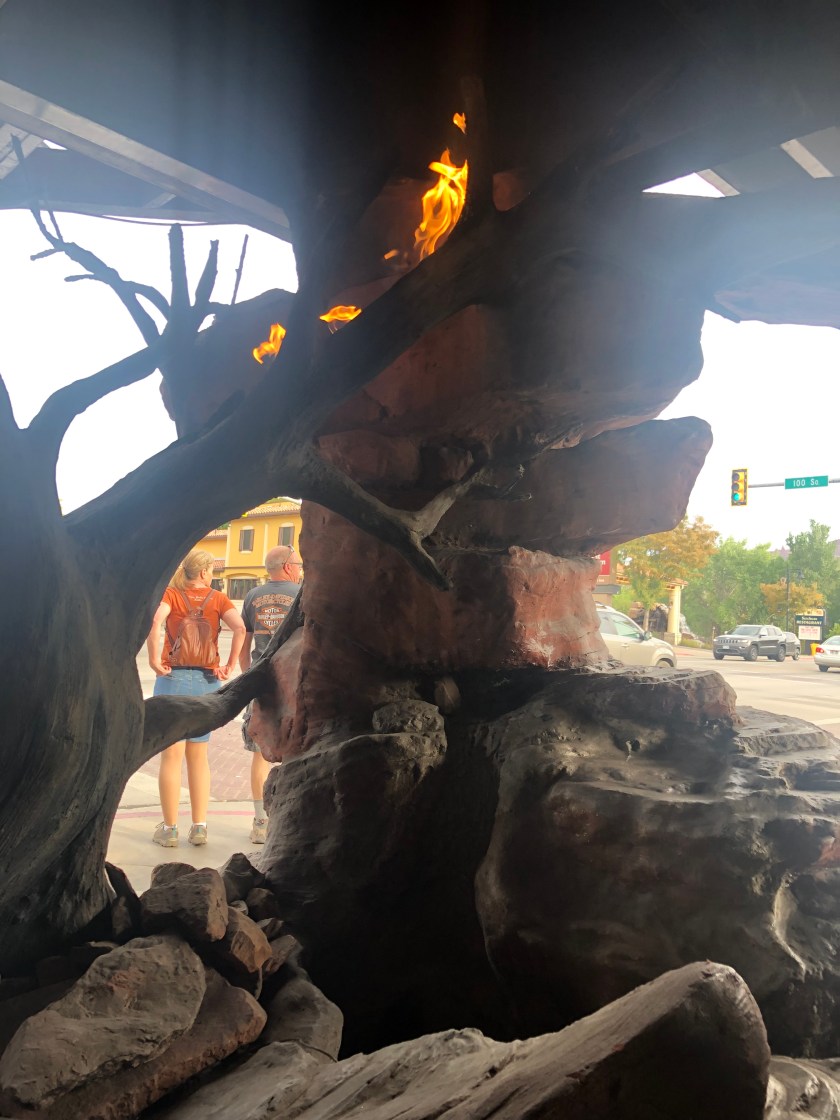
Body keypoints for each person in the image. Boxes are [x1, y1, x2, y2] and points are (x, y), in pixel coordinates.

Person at [147, 549, 246, 847]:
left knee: (171, 757)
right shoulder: (218, 599)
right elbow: (240, 628)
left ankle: (170, 829)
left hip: (172, 680)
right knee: (199, 758)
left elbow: (155, 622)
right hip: (207, 682)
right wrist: (229, 665)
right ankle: (199, 827)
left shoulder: (171, 595)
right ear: (204, 572)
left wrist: (154, 659)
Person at [239, 545, 302, 843]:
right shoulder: (301, 594)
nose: (300, 569)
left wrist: (248, 675)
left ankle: (260, 822)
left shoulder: (252, 596)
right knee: (297, 749)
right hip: (295, 681)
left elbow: (245, 645)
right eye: (298, 565)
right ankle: (289, 820)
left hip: (260, 679)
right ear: (288, 567)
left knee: (260, 753)